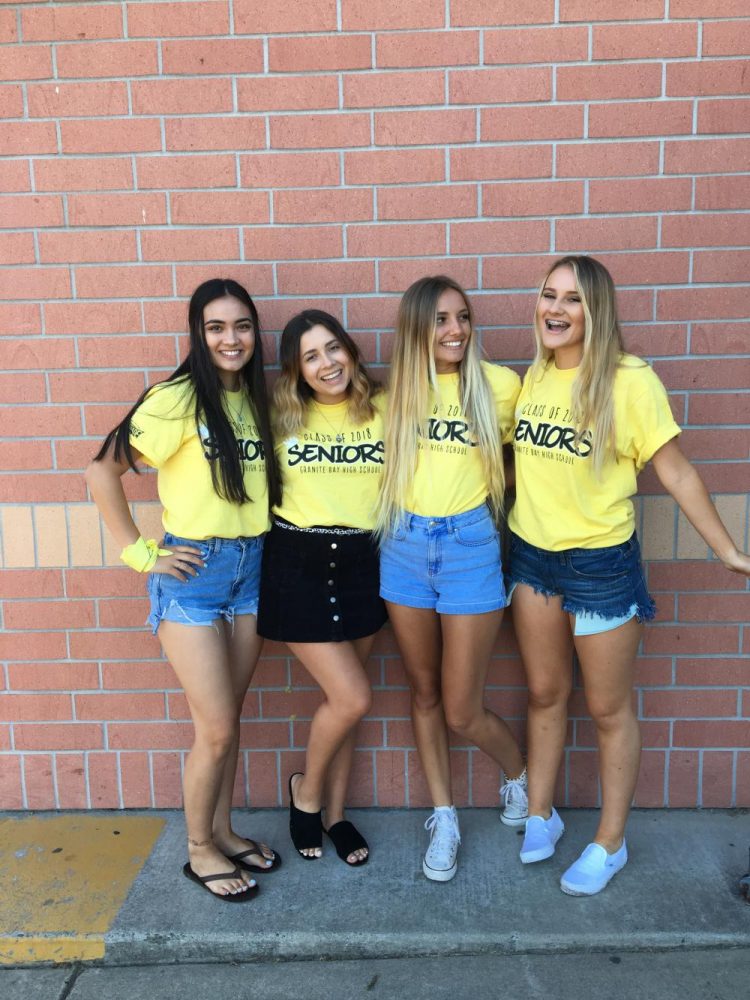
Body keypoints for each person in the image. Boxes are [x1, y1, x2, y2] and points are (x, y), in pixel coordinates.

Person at [506, 254, 750, 895]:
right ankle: (541, 813)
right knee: (544, 694)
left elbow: (675, 471)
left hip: (600, 566)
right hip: (532, 558)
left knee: (608, 709)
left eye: (573, 299)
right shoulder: (535, 374)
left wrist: (726, 550)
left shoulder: (628, 379)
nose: (555, 309)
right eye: (548, 294)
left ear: (597, 311)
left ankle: (609, 843)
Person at [85, 278, 282, 901]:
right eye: (217, 327)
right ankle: (197, 850)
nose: (232, 339)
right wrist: (143, 554)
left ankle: (221, 830)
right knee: (218, 727)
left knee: (227, 719)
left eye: (242, 326)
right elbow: (102, 471)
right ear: (198, 334)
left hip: (253, 569)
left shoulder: (254, 400)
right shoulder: (174, 400)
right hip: (195, 578)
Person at [375, 275, 528, 883]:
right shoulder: (393, 396)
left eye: (462, 317)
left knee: (462, 708)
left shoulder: (500, 386)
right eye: (440, 319)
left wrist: (494, 497)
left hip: (470, 546)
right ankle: (445, 815)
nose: (455, 330)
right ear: (417, 326)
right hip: (404, 546)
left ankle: (518, 775)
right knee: (424, 693)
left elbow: (533, 461)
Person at [257, 310, 386, 866]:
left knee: (346, 704)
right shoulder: (278, 416)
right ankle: (305, 794)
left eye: (333, 349)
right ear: (296, 370)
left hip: (364, 563)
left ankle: (335, 815)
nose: (326, 363)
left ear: (350, 351)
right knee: (352, 696)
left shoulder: (384, 408)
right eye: (311, 356)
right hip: (299, 563)